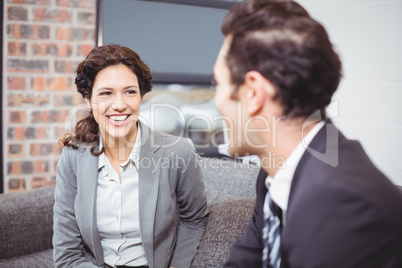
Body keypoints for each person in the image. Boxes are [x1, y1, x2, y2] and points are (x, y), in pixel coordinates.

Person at [212, 0, 402, 267]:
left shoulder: (338, 201)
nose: (216, 100)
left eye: (218, 84)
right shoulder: (276, 172)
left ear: (253, 93)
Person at [53, 44, 209, 268]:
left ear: (141, 96)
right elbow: (66, 253)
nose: (119, 105)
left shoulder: (178, 152)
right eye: (106, 93)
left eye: (130, 92)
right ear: (87, 98)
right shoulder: (73, 156)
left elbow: (196, 219)